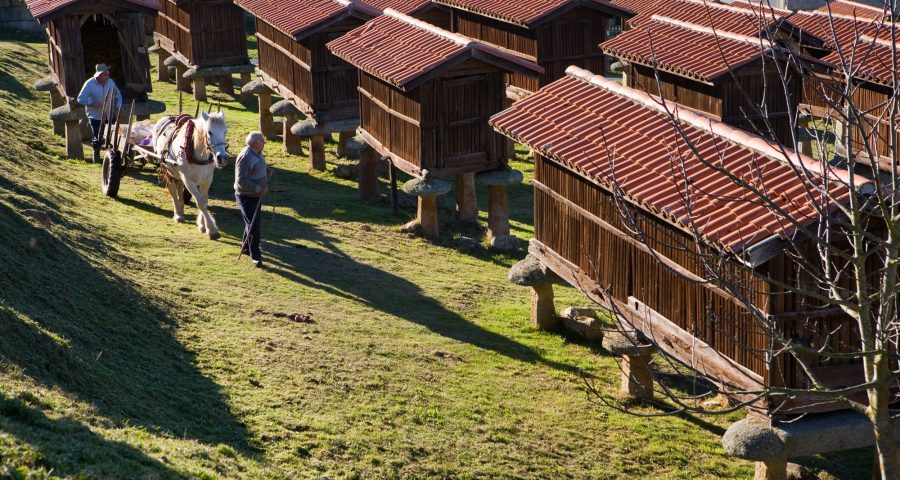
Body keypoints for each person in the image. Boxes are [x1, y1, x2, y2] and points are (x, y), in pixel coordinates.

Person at [235, 131, 272, 268]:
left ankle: (245, 248)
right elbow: (241, 181)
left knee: (251, 223)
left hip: (256, 196)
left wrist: (266, 171)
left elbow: (256, 168)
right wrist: (258, 188)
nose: (264, 143)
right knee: (253, 226)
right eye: (262, 140)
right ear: (256, 143)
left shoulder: (258, 153)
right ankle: (255, 256)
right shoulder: (245, 157)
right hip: (246, 196)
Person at [77, 63, 123, 163]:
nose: (108, 76)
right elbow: (80, 98)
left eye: (108, 74)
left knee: (112, 136)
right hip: (95, 116)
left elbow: (118, 96)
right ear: (99, 75)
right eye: (106, 74)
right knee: (97, 137)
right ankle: (96, 157)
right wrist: (92, 103)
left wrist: (117, 107)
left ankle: (112, 158)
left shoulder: (110, 82)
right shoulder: (89, 83)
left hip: (109, 115)